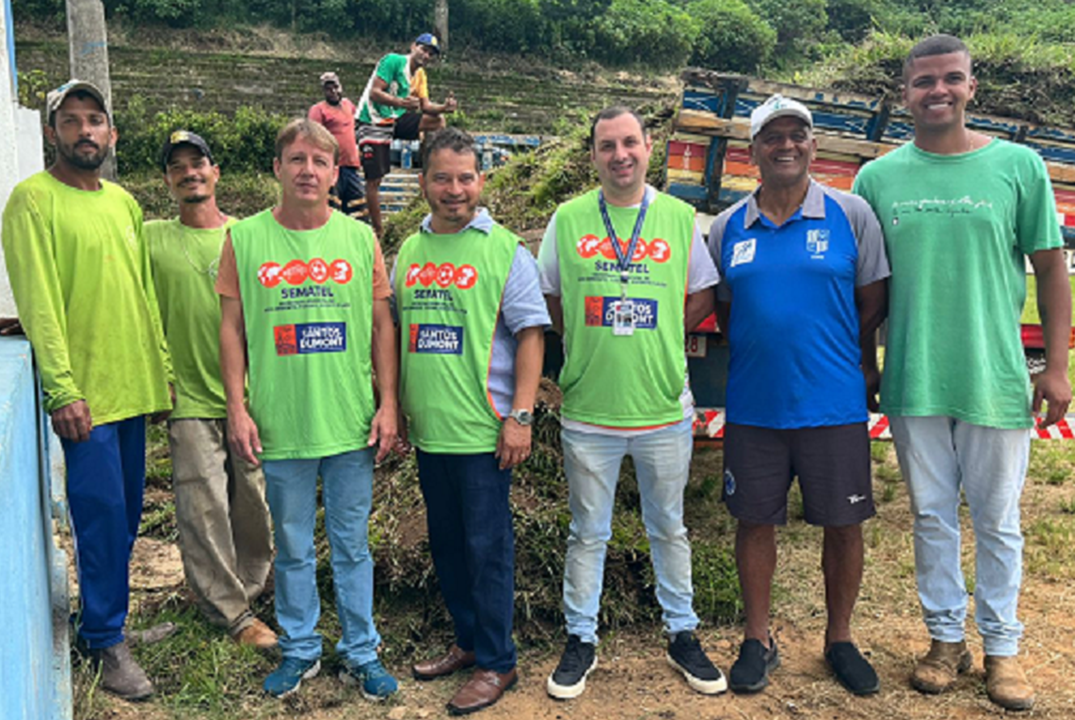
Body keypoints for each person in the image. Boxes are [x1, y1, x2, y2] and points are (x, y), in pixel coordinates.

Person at [853, 34, 1072, 712]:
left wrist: (1056, 367)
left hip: (995, 378)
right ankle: (946, 640)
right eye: (924, 82)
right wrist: (866, 364)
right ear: (904, 95)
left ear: (972, 87)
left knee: (999, 520)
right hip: (914, 377)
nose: (938, 91)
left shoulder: (1018, 167)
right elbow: (865, 290)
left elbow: (1051, 268)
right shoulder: (878, 180)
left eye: (951, 79)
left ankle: (1003, 650)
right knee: (931, 516)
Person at [537, 106, 725, 699]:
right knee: (587, 533)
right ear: (593, 155)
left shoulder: (677, 218)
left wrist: (664, 332)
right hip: (589, 409)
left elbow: (701, 293)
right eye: (606, 146)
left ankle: (682, 633)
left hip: (663, 407)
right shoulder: (566, 220)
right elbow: (551, 298)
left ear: (650, 148)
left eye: (629, 143)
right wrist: (586, 346)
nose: (619, 155)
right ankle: (581, 638)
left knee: (669, 527)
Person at [707, 95, 889, 696]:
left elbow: (872, 303)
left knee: (843, 524)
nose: (786, 145)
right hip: (756, 406)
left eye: (797, 135)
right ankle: (757, 641)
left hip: (832, 404)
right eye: (772, 137)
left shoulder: (851, 214)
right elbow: (728, 314)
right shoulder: (729, 226)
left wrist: (841, 357)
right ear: (752, 151)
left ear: (813, 145)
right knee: (755, 522)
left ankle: (840, 639)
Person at [216, 117, 401, 702]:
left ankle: (361, 650)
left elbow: (380, 326)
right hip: (281, 421)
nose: (308, 171)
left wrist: (388, 402)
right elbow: (232, 329)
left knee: (351, 545)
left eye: (320, 162)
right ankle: (299, 649)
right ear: (277, 169)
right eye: (297, 160)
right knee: (292, 546)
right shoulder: (243, 240)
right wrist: (237, 408)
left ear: (333, 172)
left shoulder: (358, 240)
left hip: (349, 422)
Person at [0, 79, 171, 701]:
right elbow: (40, 303)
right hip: (87, 398)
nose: (84, 131)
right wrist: (62, 390)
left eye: (94, 120)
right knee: (98, 519)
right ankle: (104, 641)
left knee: (126, 519)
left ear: (112, 133)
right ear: (52, 133)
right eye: (70, 121)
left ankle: (109, 620)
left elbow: (142, 293)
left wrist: (162, 369)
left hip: (133, 385)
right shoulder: (32, 202)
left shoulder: (123, 203)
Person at [393, 127, 549, 715]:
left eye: (465, 178)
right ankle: (467, 642)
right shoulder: (409, 250)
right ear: (424, 182)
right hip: (431, 433)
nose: (454, 190)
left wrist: (521, 417)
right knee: (450, 546)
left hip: (484, 433)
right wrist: (403, 411)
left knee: (488, 549)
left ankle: (497, 661)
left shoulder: (504, 249)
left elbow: (531, 336)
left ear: (481, 181)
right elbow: (404, 337)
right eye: (442, 178)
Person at [143, 130, 276, 649]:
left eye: (197, 162)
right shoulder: (151, 237)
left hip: (251, 396)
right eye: (177, 167)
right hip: (189, 397)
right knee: (203, 508)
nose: (189, 172)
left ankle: (251, 591)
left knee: (254, 504)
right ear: (167, 181)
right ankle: (231, 614)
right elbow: (105, 281)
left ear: (216, 172)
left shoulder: (248, 235)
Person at [354, 33, 458, 238]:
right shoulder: (393, 61)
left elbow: (427, 106)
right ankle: (379, 230)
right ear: (413, 47)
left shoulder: (420, 75)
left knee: (437, 121)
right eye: (423, 49)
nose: (426, 55)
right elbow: (375, 92)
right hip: (372, 120)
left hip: (395, 118)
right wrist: (400, 102)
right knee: (374, 179)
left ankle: (431, 168)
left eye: (430, 54)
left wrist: (444, 107)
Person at [308, 72, 365, 216]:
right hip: (332, 167)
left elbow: (356, 126)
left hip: (351, 166)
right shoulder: (318, 110)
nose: (333, 91)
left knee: (358, 208)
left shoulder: (348, 105)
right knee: (333, 207)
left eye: (335, 87)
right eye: (328, 89)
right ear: (324, 91)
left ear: (341, 86)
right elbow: (313, 137)